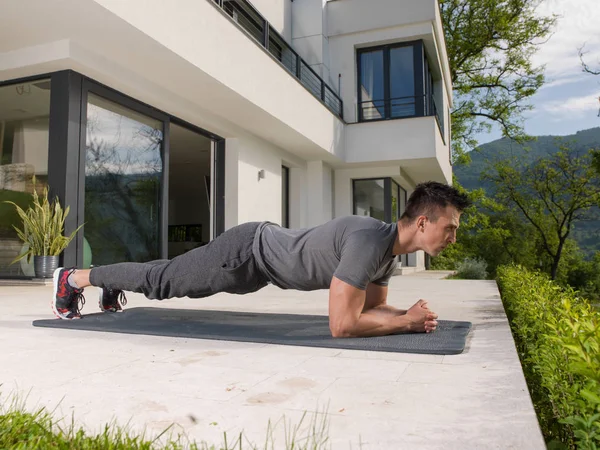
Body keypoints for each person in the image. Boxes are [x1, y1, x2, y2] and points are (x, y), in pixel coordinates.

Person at [51, 181, 470, 338]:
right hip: (246, 252)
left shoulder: (387, 254)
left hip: (260, 267)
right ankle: (75, 278)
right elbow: (343, 325)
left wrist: (411, 315)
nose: (453, 236)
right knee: (162, 283)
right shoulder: (367, 241)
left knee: (162, 280)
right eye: (449, 227)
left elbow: (372, 311)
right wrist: (404, 321)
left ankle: (104, 282)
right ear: (421, 222)